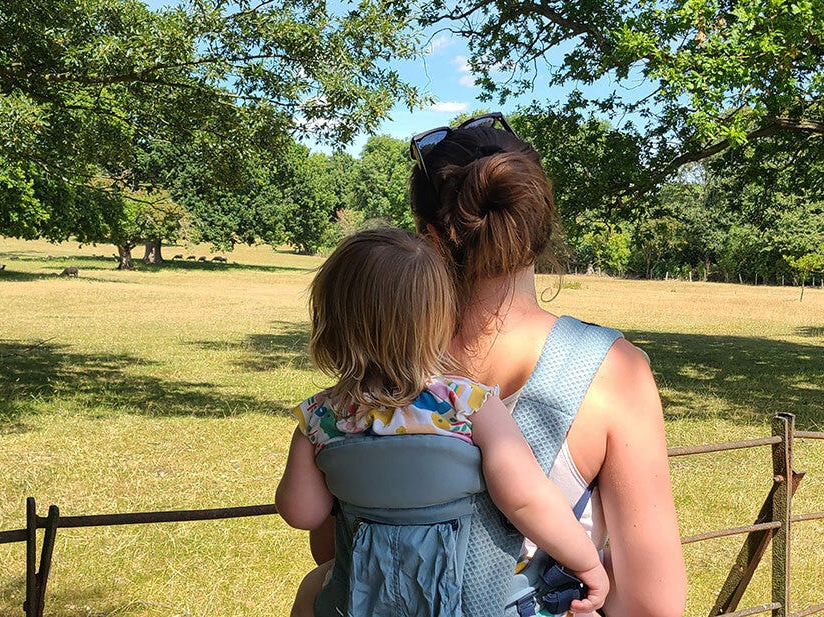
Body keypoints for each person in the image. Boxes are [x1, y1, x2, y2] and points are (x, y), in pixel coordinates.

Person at [295, 113, 687, 617]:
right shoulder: (614, 373)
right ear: (538, 228)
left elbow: (329, 549)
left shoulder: (374, 372)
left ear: (430, 239)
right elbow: (651, 607)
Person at [275, 227, 609, 616]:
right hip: (468, 602)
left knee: (312, 589)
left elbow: (302, 511)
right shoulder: (468, 403)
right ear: (441, 320)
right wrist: (586, 562)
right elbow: (526, 497)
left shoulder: (320, 417)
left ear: (329, 323)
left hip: (363, 600)